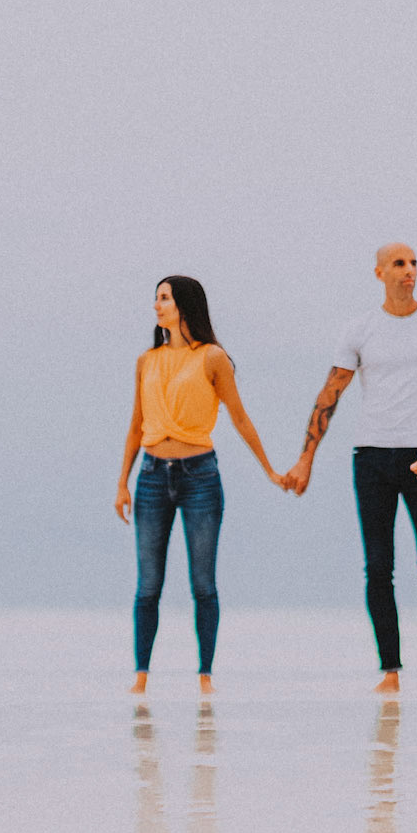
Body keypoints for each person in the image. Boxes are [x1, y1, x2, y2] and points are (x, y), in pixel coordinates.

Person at [285, 243, 417, 694]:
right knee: (379, 567)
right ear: (380, 273)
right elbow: (330, 395)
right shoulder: (360, 330)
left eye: (413, 263)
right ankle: (391, 673)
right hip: (371, 459)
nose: (409, 271)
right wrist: (306, 457)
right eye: (399, 264)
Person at [115, 276, 286, 694]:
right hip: (153, 476)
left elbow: (240, 417)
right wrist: (122, 482)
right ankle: (141, 676)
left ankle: (205, 675)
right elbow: (137, 425)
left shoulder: (212, 358)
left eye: (164, 298)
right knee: (148, 585)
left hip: (200, 477)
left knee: (203, 583)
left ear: (184, 305)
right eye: (156, 298)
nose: (156, 305)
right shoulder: (146, 361)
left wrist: (269, 469)